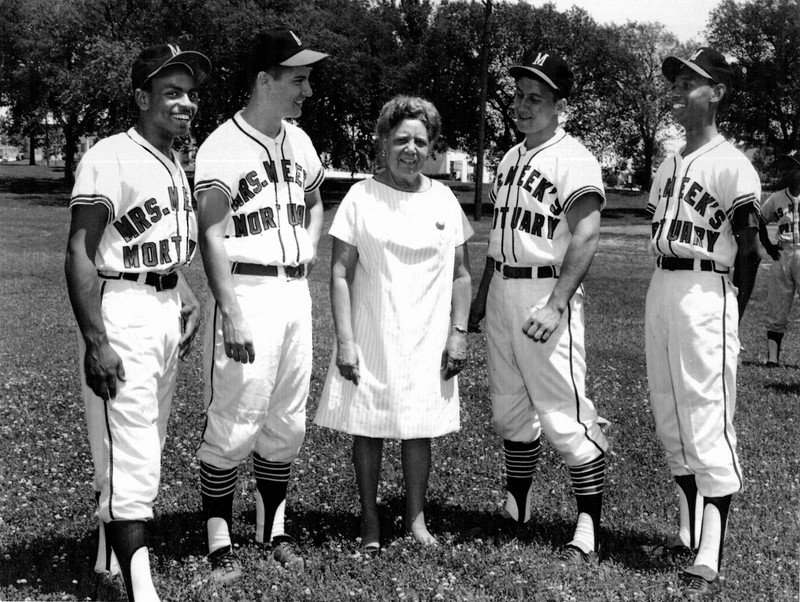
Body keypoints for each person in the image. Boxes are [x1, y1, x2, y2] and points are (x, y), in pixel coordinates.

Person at [65, 44, 210, 601]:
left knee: (141, 439)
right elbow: (81, 250)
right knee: (131, 450)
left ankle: (108, 557)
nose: (185, 103)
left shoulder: (172, 157)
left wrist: (184, 288)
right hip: (122, 313)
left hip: (163, 308)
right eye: (171, 92)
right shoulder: (111, 155)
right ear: (140, 96)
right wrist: (95, 339)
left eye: (190, 93)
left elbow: (148, 244)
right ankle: (143, 590)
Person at [192, 28, 327, 583]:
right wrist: (232, 312)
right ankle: (219, 539)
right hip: (245, 289)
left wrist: (312, 243)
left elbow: (316, 201)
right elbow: (211, 234)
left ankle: (273, 529)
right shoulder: (222, 146)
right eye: (298, 79)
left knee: (287, 416)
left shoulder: (299, 141)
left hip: (293, 292)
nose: (308, 90)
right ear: (263, 80)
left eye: (308, 79)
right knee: (235, 412)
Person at [313, 95, 473, 553]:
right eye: (401, 138)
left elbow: (462, 275)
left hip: (427, 335)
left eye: (421, 141)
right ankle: (369, 521)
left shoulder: (444, 199)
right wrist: (346, 340)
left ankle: (415, 519)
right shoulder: (361, 197)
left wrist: (457, 333)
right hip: (372, 330)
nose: (410, 149)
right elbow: (340, 273)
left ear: (432, 148)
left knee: (419, 426)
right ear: (383, 141)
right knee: (370, 424)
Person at [468, 52, 608, 566]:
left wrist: (557, 304)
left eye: (536, 98)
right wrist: (483, 296)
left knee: (563, 412)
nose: (523, 106)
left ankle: (588, 526)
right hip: (505, 287)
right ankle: (517, 507)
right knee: (510, 409)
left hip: (544, 291)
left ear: (558, 106)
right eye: (519, 95)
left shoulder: (574, 158)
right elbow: (497, 240)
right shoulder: (509, 158)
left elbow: (587, 234)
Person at [645, 47, 761, 600]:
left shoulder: (732, 163)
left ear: (715, 93)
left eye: (689, 82)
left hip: (706, 286)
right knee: (670, 410)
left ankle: (711, 547)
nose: (677, 89)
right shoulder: (668, 165)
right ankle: (687, 528)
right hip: (662, 285)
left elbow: (751, 249)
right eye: (675, 80)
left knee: (706, 412)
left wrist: (731, 309)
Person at [759, 149, 800, 367]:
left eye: (793, 166)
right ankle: (773, 358)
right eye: (787, 166)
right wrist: (767, 245)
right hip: (783, 253)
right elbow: (758, 220)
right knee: (777, 305)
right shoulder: (776, 198)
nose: (789, 171)